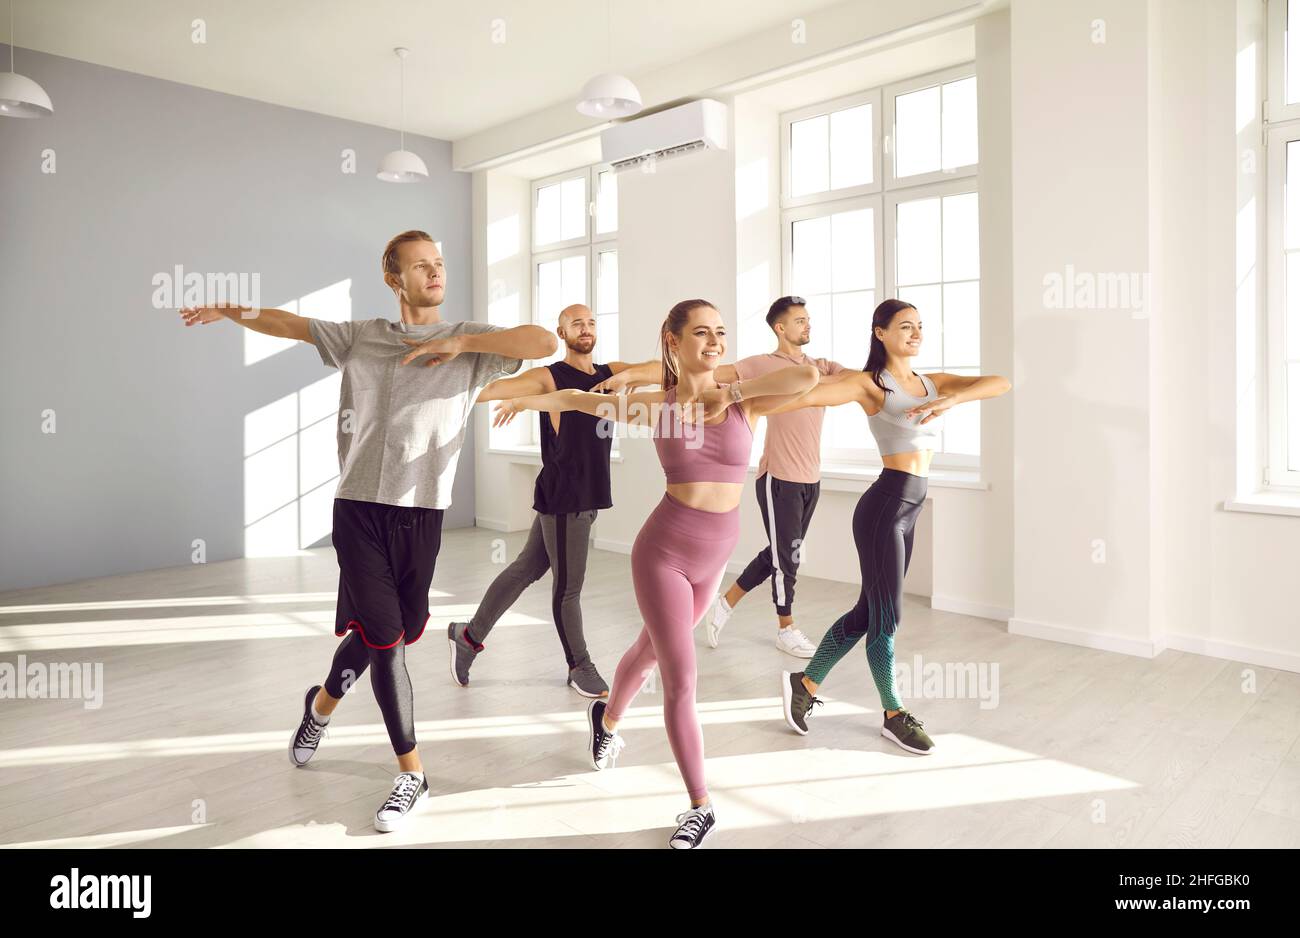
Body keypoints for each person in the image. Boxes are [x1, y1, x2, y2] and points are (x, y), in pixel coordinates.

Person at [179, 230, 556, 831]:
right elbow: (289, 324)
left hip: (423, 514)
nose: (435, 273)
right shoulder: (362, 336)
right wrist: (227, 309)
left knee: (391, 634)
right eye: (420, 266)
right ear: (393, 278)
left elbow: (543, 340)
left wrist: (458, 342)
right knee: (385, 641)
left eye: (439, 264)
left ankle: (321, 705)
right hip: (357, 509)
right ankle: (413, 775)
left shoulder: (475, 343)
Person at [493, 299, 818, 848]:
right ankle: (700, 804)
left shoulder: (747, 403)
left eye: (720, 333)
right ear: (672, 341)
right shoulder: (659, 408)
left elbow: (806, 376)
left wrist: (730, 390)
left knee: (647, 653)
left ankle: (607, 720)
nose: (714, 342)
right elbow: (576, 399)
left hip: (714, 556)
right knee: (682, 677)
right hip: (664, 552)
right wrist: (520, 399)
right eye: (700, 333)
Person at [770, 298, 1010, 754]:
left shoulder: (929, 383)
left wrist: (954, 397)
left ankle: (805, 681)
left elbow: (1000, 383)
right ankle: (893, 714)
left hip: (909, 509)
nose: (916, 333)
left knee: (868, 612)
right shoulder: (870, 384)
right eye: (905, 326)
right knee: (888, 617)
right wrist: (742, 397)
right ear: (880, 332)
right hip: (884, 507)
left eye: (919, 326)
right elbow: (812, 394)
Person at [608, 296, 851, 657]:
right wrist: (633, 373)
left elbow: (854, 382)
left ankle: (727, 601)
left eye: (808, 319)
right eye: (800, 320)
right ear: (780, 327)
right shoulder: (756, 364)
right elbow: (705, 371)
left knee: (785, 552)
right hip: (779, 472)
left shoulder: (820, 364)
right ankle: (786, 625)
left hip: (810, 473)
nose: (808, 325)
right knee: (787, 555)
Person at [446, 303, 656, 697]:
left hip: (589, 495)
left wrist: (625, 377)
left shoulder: (609, 375)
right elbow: (492, 391)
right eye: (576, 323)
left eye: (592, 321)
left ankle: (468, 636)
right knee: (568, 588)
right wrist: (449, 384)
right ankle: (579, 665)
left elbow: (659, 369)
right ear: (562, 334)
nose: (586, 327)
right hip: (565, 497)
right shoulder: (550, 376)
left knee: (525, 569)